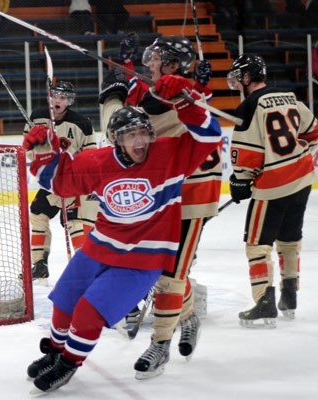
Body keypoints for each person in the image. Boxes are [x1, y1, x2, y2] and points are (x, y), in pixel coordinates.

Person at [23, 86, 222, 393]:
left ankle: (68, 363)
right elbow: (58, 184)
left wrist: (184, 103)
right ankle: (55, 352)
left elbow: (209, 135)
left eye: (144, 132)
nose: (140, 140)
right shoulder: (97, 161)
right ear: (116, 139)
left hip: (143, 259)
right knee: (63, 304)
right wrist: (44, 153)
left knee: (89, 312)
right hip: (98, 248)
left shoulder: (170, 154)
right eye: (131, 135)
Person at [102, 35, 221, 379]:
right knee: (157, 269)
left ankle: (161, 345)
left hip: (193, 194)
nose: (149, 61)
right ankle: (188, 316)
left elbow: (200, 119)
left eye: (156, 57)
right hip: (161, 191)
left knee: (170, 275)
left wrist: (186, 94)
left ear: (171, 63)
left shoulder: (184, 89)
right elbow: (129, 119)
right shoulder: (150, 87)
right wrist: (121, 80)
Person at [227, 54, 318, 328]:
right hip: (303, 178)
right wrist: (299, 154)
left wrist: (240, 181)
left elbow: (245, 157)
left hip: (273, 186)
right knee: (289, 238)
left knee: (257, 244)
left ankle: (264, 301)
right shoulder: (289, 96)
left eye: (237, 76)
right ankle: (290, 294)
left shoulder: (247, 107)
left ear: (246, 77)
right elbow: (313, 132)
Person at [24, 81, 96, 280]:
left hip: (74, 182)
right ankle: (39, 263)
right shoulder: (37, 117)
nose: (58, 100)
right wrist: (45, 153)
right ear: (50, 96)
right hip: (51, 183)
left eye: (63, 98)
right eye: (55, 96)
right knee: (37, 214)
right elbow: (28, 150)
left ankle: (84, 265)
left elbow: (90, 154)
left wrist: (71, 165)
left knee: (74, 222)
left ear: (69, 101)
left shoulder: (82, 122)